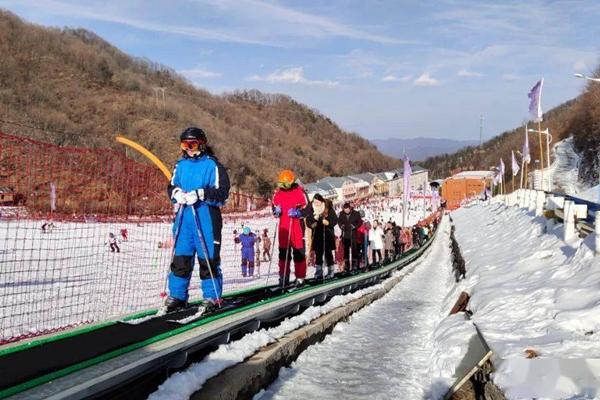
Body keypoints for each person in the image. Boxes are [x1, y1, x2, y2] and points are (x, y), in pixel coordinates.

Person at [165, 127, 230, 313]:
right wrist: (176, 193)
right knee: (181, 260)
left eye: (192, 144)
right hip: (184, 218)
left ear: (201, 144)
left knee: (207, 260)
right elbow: (171, 186)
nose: (188, 148)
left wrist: (201, 194)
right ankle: (177, 296)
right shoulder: (180, 165)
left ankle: (212, 296)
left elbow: (222, 193)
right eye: (184, 144)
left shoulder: (213, 166)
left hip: (206, 219)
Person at [272, 169, 308, 287]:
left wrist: (299, 212)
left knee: (299, 254)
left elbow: (307, 208)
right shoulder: (278, 193)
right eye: (282, 184)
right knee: (283, 254)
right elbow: (274, 205)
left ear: (291, 182)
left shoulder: (299, 192)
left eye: (286, 184)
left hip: (297, 227)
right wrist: (276, 211)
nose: (284, 187)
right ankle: (283, 276)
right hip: (284, 228)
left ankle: (300, 277)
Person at [305, 193, 338, 280]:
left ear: (321, 201)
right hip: (317, 235)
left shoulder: (327, 208)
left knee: (328, 253)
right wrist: (312, 224)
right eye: (315, 202)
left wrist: (328, 223)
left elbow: (334, 220)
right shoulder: (311, 209)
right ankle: (319, 272)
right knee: (318, 254)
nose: (316, 203)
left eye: (318, 202)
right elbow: (308, 220)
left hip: (327, 234)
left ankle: (331, 271)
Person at [337, 202, 362, 273]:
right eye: (345, 210)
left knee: (354, 250)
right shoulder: (341, 214)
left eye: (347, 210)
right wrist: (341, 226)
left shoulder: (356, 213)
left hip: (353, 234)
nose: (346, 211)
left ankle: (354, 265)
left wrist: (355, 226)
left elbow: (360, 222)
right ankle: (347, 266)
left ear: (350, 208)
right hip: (345, 235)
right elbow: (339, 222)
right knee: (346, 251)